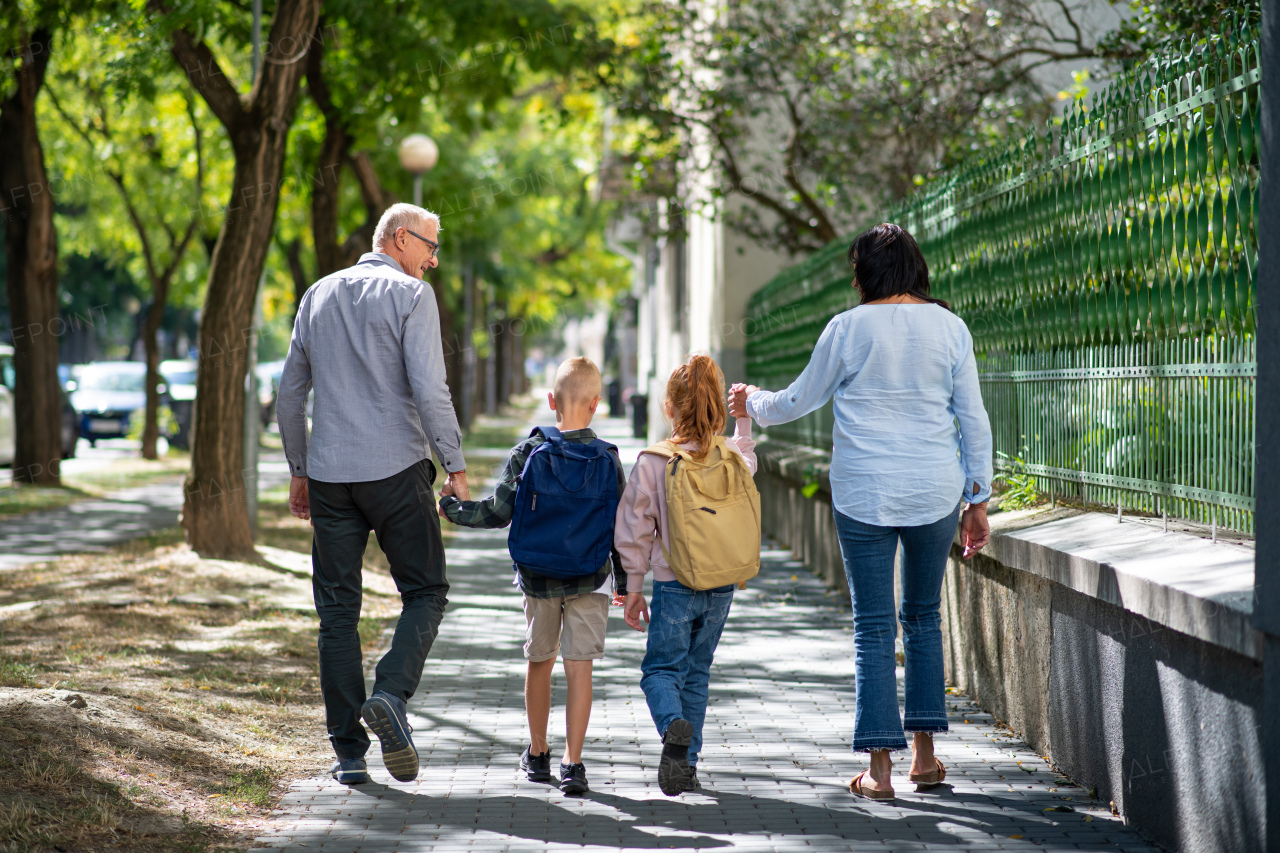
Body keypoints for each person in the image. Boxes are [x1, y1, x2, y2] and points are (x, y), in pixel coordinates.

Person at [730, 222, 992, 801]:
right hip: (934, 494)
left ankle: (879, 771)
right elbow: (973, 418)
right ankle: (925, 758)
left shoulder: (846, 328)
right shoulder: (950, 327)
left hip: (864, 493)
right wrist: (977, 498)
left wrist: (752, 403)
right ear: (916, 267)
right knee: (923, 617)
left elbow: (799, 399)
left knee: (874, 627)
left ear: (864, 272)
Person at [276, 203, 469, 786]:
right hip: (396, 468)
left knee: (337, 614)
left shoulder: (317, 294)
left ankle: (350, 755)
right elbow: (429, 388)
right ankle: (390, 694)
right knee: (427, 589)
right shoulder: (412, 298)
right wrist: (454, 463)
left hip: (331, 474)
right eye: (430, 248)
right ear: (400, 238)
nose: (432, 262)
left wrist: (298, 467)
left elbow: (289, 393)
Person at [439, 357, 626, 795]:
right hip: (591, 578)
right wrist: (628, 583)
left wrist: (450, 508)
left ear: (550, 400)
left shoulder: (529, 452)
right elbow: (622, 529)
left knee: (539, 660)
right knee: (581, 668)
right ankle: (573, 763)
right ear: (597, 404)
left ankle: (538, 753)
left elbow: (496, 512)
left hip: (538, 577)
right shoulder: (609, 459)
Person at [617, 355, 758, 795]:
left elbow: (634, 531)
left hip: (675, 584)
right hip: (722, 586)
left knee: (660, 670)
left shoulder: (654, 461)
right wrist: (745, 425)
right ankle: (688, 765)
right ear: (716, 406)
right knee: (697, 672)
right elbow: (750, 466)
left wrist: (634, 588)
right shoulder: (730, 455)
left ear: (670, 408)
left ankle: (671, 726)